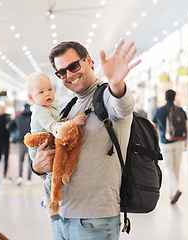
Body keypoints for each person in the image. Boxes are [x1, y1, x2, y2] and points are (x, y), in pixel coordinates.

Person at [30, 39, 141, 240]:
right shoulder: (70, 106)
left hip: (94, 221)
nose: (69, 74)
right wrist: (37, 167)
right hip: (61, 217)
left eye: (73, 66)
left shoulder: (106, 96)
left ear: (89, 60)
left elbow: (123, 106)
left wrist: (116, 82)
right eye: (61, 72)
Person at [25, 72, 85, 220]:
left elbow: (56, 122)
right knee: (52, 173)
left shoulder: (50, 108)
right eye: (41, 92)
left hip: (46, 143)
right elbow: (54, 128)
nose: (47, 94)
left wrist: (63, 120)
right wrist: (72, 122)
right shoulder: (40, 111)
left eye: (49, 89)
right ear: (31, 98)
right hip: (41, 145)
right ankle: (47, 200)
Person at [152, 89, 188, 204]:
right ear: (175, 97)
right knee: (176, 167)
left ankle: (175, 189)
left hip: (165, 142)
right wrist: (186, 141)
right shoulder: (180, 110)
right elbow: (185, 126)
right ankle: (174, 192)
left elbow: (153, 127)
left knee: (168, 167)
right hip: (179, 141)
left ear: (165, 97)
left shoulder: (159, 111)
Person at [6, 103, 34, 186]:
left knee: (20, 159)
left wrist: (15, 131)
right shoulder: (33, 116)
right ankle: (29, 179)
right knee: (30, 160)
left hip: (20, 140)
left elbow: (8, 126)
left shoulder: (18, 117)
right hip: (31, 140)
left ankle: (20, 177)